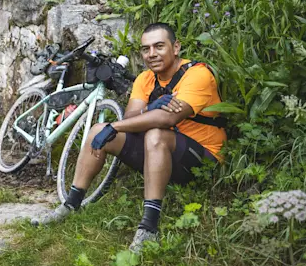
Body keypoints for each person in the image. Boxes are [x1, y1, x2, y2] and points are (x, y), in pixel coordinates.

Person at [31, 22, 227, 253]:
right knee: (99, 130)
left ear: (175, 47)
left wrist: (122, 124)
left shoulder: (197, 74)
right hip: (160, 155)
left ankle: (149, 228)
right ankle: (70, 204)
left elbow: (168, 119)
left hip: (201, 160)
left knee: (155, 134)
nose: (152, 54)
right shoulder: (146, 79)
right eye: (146, 49)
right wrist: (149, 109)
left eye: (159, 46)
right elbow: (131, 118)